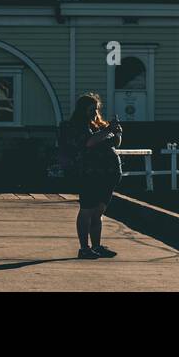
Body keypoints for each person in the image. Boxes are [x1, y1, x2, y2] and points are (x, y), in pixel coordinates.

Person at [70, 92, 122, 260]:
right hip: (90, 173)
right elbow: (89, 142)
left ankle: (97, 246)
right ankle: (84, 248)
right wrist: (108, 130)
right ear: (82, 110)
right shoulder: (78, 125)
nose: (94, 112)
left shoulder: (99, 124)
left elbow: (115, 143)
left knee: (98, 211)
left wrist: (117, 133)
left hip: (108, 173)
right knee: (87, 210)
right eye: (91, 109)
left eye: (96, 109)